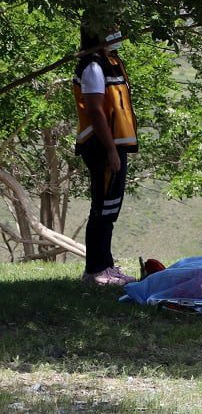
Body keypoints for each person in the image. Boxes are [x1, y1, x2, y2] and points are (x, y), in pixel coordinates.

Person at [72, 25, 138, 286]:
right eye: (110, 28)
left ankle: (106, 265)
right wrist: (111, 149)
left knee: (109, 208)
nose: (117, 33)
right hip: (101, 145)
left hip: (114, 144)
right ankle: (96, 270)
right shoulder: (93, 67)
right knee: (102, 208)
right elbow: (95, 110)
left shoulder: (109, 62)